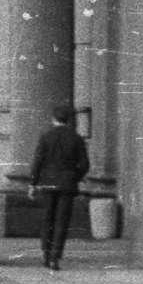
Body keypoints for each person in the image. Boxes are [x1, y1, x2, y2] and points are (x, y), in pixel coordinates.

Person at [28, 103, 91, 271]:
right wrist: (74, 177)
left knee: (47, 219)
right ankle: (55, 256)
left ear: (53, 118)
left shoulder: (45, 136)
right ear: (69, 119)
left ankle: (46, 254)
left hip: (48, 183)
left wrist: (32, 184)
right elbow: (85, 164)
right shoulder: (76, 138)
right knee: (62, 221)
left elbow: (37, 162)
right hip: (67, 184)